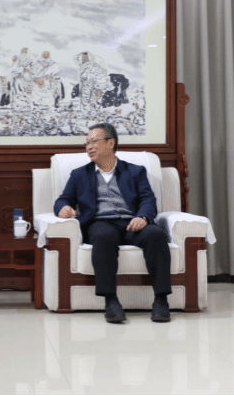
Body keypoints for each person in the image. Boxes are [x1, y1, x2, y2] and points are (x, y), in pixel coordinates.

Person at [54, 123, 171, 323]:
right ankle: (111, 301)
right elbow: (63, 199)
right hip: (100, 222)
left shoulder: (135, 171)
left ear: (110, 143)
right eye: (87, 143)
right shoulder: (79, 174)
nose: (89, 147)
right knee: (104, 236)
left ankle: (161, 300)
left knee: (156, 234)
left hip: (132, 222)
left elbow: (148, 199)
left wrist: (142, 217)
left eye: (94, 142)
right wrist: (63, 208)